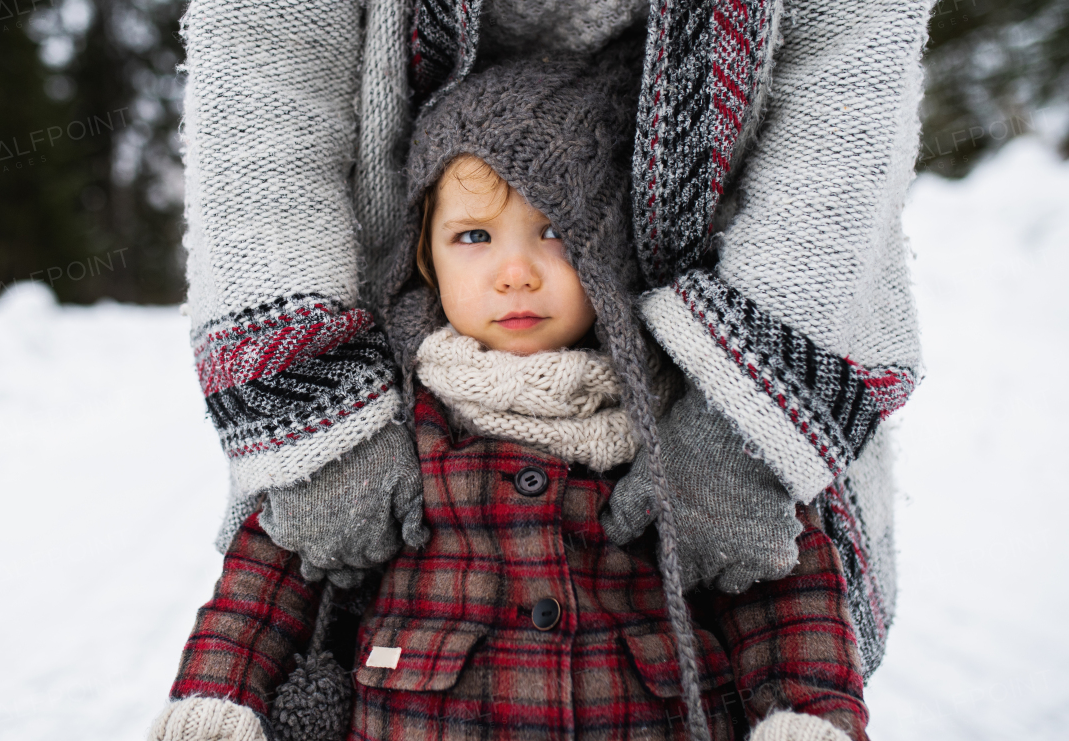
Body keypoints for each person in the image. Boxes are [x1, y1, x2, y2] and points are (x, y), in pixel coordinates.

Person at [177, 0, 929, 689]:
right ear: (424, 254)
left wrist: (753, 422)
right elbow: (263, 60)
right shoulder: (412, 415)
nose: (514, 273)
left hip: (718, 329)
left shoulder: (654, 431)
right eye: (473, 237)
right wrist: (309, 406)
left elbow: (850, 72)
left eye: (557, 237)